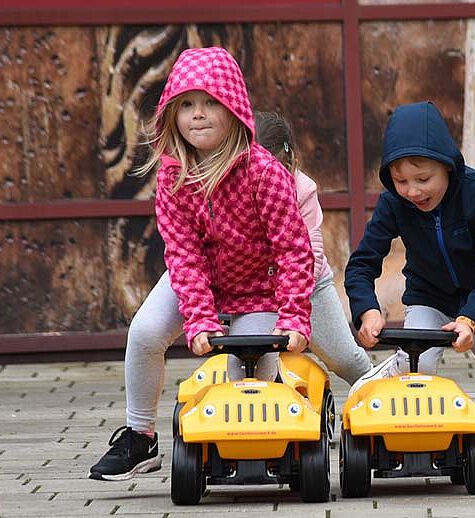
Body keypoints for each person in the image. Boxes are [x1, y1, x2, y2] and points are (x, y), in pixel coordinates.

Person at [89, 47, 316, 481]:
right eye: (186, 105)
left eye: (211, 102)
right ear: (171, 114)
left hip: (256, 288)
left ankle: (269, 438)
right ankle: (140, 437)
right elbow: (183, 254)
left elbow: (292, 249)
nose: (198, 114)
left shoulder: (264, 172)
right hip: (199, 280)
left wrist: (293, 317)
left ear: (234, 108)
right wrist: (198, 319)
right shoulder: (172, 177)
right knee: (144, 333)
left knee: (248, 367)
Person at [344, 101, 475, 455]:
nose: (412, 192)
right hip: (429, 298)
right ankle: (399, 382)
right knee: (419, 368)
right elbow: (361, 264)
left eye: (423, 179)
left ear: (448, 166)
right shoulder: (393, 203)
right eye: (401, 181)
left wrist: (470, 318)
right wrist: (367, 311)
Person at [252, 110, 374, 380]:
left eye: (277, 173)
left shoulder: (303, 189)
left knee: (346, 359)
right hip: (255, 290)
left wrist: (293, 296)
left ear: (291, 161)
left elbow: (312, 254)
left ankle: (372, 389)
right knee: (253, 361)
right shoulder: (235, 190)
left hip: (308, 286)